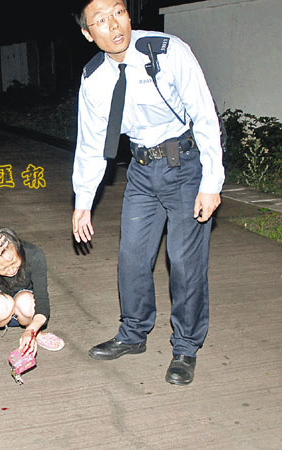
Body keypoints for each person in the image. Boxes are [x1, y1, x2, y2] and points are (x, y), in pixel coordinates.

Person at [71, 0, 224, 385]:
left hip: (184, 165)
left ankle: (185, 347)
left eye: (118, 12)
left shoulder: (167, 51)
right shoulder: (94, 78)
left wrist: (211, 183)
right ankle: (133, 333)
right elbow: (90, 144)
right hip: (140, 171)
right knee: (132, 258)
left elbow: (204, 115)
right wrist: (83, 201)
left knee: (184, 262)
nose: (114, 25)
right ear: (88, 33)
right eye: (101, 20)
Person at [0, 226, 64, 360]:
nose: (11, 270)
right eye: (3, 268)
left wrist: (31, 331)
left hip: (24, 311)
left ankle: (37, 333)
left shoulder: (34, 254)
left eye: (14, 262)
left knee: (26, 301)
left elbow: (42, 301)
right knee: (3, 303)